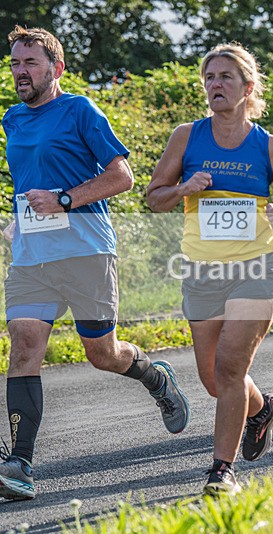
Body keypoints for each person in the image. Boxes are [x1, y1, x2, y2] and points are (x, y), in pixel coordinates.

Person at [0, 26, 190, 501]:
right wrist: (18, 221)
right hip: (31, 257)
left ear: (56, 69)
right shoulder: (12, 119)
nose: (21, 72)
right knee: (24, 344)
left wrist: (64, 200)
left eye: (31, 64)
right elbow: (28, 181)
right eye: (15, 64)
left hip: (86, 251)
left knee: (101, 354)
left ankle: (153, 374)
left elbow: (122, 176)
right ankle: (20, 463)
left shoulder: (81, 110)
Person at [147, 43, 273, 496]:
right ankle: (260, 410)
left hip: (257, 267)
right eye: (210, 78)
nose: (216, 84)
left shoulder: (268, 145)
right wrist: (183, 188)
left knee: (231, 366)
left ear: (247, 87)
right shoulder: (187, 136)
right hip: (202, 271)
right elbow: (153, 199)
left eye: (225, 77)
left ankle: (222, 471)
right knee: (214, 378)